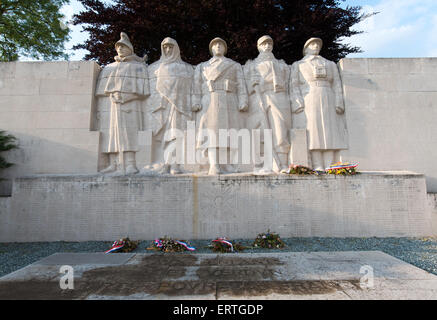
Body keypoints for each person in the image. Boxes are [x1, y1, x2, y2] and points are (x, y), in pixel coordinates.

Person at [290, 37, 348, 171]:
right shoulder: (298, 65)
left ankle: (330, 163)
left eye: (317, 44)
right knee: (314, 130)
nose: (315, 46)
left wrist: (339, 101)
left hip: (328, 96)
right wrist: (297, 102)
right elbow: (294, 85)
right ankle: (317, 164)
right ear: (306, 48)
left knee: (330, 131)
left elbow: (337, 84)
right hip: (310, 96)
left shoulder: (330, 64)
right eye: (312, 44)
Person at [192, 37, 249, 175]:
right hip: (209, 99)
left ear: (225, 48)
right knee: (212, 132)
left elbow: (241, 83)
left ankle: (225, 163)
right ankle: (214, 164)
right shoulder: (202, 66)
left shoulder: (234, 65)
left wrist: (243, 100)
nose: (218, 46)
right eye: (215, 44)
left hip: (228, 98)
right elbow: (196, 85)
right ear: (211, 49)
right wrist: (195, 101)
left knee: (227, 132)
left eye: (220, 44)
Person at [95, 32, 149, 174]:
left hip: (131, 105)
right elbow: (101, 92)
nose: (120, 49)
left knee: (130, 133)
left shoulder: (138, 67)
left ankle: (131, 163)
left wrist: (127, 97)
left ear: (130, 49)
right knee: (111, 134)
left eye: (123, 46)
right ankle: (113, 163)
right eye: (118, 47)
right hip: (112, 106)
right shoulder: (109, 67)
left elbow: (143, 91)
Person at [146, 37, 194, 174]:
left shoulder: (186, 68)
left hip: (178, 106)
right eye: (165, 47)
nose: (167, 50)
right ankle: (162, 162)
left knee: (175, 134)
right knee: (162, 134)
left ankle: (174, 163)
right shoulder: (154, 68)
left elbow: (191, 88)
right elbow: (150, 90)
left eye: (170, 47)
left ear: (176, 49)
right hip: (161, 107)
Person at [244, 35, 292, 173]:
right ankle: (262, 164)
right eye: (264, 44)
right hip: (259, 99)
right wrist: (251, 84)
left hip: (278, 97)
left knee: (280, 129)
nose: (267, 46)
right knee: (259, 132)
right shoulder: (251, 66)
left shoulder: (281, 64)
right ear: (259, 47)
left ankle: (282, 164)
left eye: (269, 44)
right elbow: (244, 86)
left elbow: (289, 84)